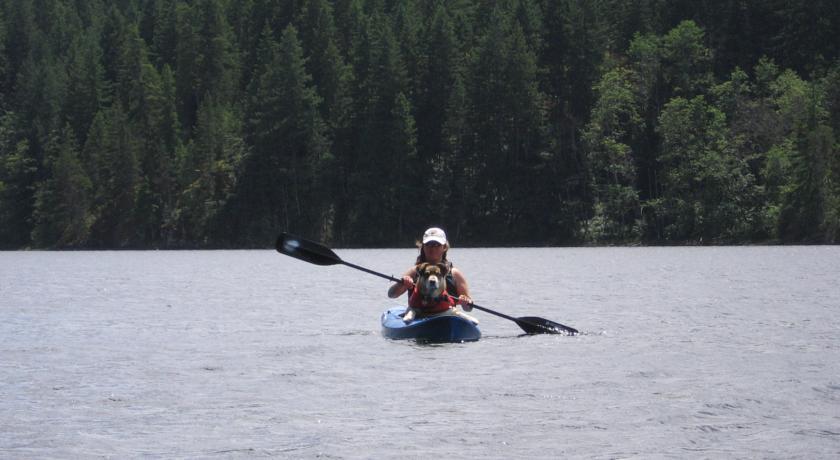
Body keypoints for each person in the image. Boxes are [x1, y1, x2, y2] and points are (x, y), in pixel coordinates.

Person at [387, 227, 475, 321]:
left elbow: (468, 308)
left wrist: (465, 302)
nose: (432, 248)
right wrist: (402, 283)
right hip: (419, 317)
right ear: (423, 247)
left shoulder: (454, 273)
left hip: (446, 316)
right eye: (428, 244)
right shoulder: (415, 271)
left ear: (444, 247)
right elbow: (392, 294)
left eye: (437, 244)